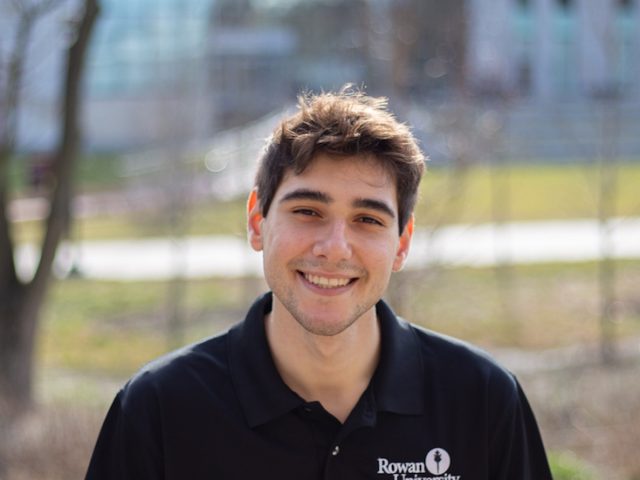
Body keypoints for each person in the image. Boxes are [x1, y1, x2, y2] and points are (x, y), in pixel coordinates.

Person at [86, 87, 552, 479]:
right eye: (308, 211)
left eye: (367, 219)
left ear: (402, 243)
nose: (334, 247)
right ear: (256, 221)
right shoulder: (159, 410)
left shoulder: (482, 399)